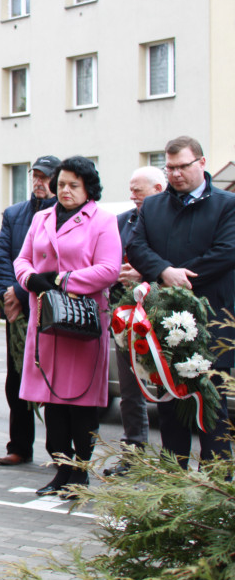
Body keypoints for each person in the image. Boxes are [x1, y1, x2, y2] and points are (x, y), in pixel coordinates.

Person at [14, 156, 121, 497]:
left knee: (81, 406)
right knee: (53, 403)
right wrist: (30, 279)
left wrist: (62, 279)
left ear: (88, 188)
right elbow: (23, 258)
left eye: (74, 185)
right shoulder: (42, 217)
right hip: (46, 322)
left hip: (81, 325)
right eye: (61, 184)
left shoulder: (102, 220)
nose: (65, 190)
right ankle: (61, 471)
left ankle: (80, 473)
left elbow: (108, 269)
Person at [127, 136, 235, 468]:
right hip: (164, 321)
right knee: (171, 406)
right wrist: (163, 270)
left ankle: (217, 480)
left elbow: (226, 251)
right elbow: (136, 246)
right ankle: (172, 477)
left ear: (201, 164)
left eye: (182, 166)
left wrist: (181, 276)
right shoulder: (155, 205)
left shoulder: (226, 204)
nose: (175, 174)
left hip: (212, 321)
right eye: (169, 167)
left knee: (211, 405)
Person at [0, 155, 60, 466]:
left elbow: (49, 263)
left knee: (51, 380)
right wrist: (9, 293)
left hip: (49, 309)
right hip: (17, 311)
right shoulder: (15, 213)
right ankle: (20, 446)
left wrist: (19, 291)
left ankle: (60, 453)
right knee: (16, 378)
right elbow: (2, 253)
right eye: (35, 176)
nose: (38, 182)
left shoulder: (62, 215)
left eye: (45, 177)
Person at [103, 166, 166, 476]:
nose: (132, 195)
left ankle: (172, 460)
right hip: (125, 317)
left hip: (162, 318)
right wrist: (117, 274)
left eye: (137, 190)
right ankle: (133, 454)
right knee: (129, 389)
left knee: (168, 390)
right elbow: (106, 259)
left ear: (157, 189)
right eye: (130, 189)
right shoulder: (122, 221)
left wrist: (145, 275)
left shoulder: (170, 219)